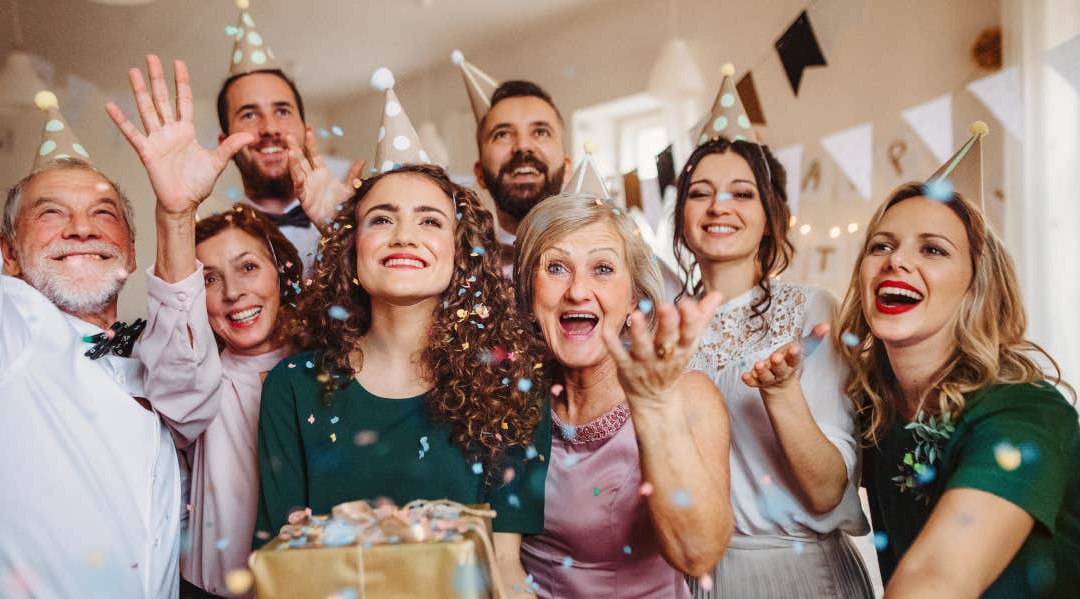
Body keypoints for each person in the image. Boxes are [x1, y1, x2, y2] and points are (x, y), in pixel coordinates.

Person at [0, 3, 220, 596]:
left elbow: (194, 403)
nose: (82, 228)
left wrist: (177, 216)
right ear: (6, 254)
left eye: (103, 214)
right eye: (51, 213)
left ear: (129, 245)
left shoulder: (149, 357)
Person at [253, 163, 550, 591]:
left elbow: (503, 564)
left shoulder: (511, 388)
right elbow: (278, 564)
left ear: (461, 249)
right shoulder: (293, 386)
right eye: (382, 219)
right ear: (352, 247)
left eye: (429, 220)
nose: (404, 235)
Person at [838, 126, 1080, 598]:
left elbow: (938, 576)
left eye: (932, 249)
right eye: (881, 245)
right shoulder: (873, 405)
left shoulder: (1024, 414)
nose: (896, 262)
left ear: (976, 286)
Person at [107, 55, 305, 598]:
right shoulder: (201, 374)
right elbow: (179, 393)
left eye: (247, 268)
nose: (234, 292)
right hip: (213, 586)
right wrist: (175, 217)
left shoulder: (322, 364)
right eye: (209, 280)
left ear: (282, 274)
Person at [672, 66, 873, 598]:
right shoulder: (660, 325)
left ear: (770, 215)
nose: (719, 206)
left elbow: (828, 489)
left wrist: (781, 392)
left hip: (794, 573)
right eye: (700, 193)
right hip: (689, 578)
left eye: (742, 193)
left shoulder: (809, 310)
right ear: (681, 214)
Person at [513, 193, 732, 598]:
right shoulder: (509, 399)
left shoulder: (687, 397)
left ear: (633, 296)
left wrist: (654, 408)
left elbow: (698, 555)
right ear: (529, 290)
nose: (578, 291)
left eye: (603, 268)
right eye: (556, 267)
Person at [216, 0, 362, 266]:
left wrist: (341, 230)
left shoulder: (360, 227)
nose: (270, 128)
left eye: (282, 111)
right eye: (249, 114)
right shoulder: (213, 241)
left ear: (307, 133)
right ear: (224, 143)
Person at [456, 54, 571, 270]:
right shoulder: (457, 275)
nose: (522, 146)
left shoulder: (623, 267)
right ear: (479, 173)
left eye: (540, 132)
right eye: (502, 134)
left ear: (566, 168)